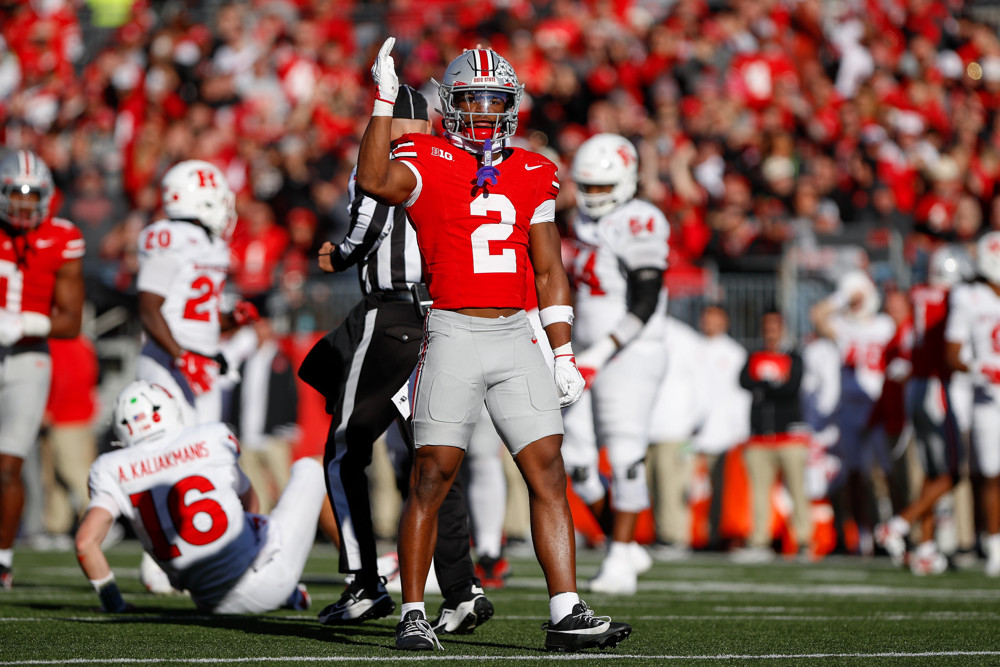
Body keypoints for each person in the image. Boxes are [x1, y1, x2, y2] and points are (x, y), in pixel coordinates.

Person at [356, 39, 630, 652]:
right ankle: (414, 612)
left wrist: (561, 348)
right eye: (473, 100)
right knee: (432, 475)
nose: (484, 111)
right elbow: (373, 179)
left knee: (548, 472)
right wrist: (381, 100)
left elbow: (550, 266)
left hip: (516, 332)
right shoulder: (423, 154)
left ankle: (566, 609)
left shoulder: (534, 168)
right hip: (452, 328)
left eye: (496, 100)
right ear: (449, 104)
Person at [297, 85, 493, 635]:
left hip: (393, 321)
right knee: (431, 462)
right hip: (446, 322)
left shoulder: (390, 166)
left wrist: (335, 255)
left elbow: (359, 238)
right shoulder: (461, 167)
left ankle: (363, 582)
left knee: (343, 450)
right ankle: (460, 588)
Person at [74, 380, 323, 613]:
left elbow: (86, 543)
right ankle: (355, 576)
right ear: (169, 409)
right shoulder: (210, 437)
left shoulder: (110, 467)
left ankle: (288, 591)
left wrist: (113, 602)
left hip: (208, 601)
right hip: (265, 579)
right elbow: (251, 505)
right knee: (315, 466)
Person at [560, 132, 670, 595]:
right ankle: (622, 546)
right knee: (575, 460)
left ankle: (621, 560)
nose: (594, 196)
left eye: (604, 187)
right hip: (585, 353)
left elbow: (645, 301)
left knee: (625, 453)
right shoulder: (582, 220)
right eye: (589, 187)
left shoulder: (640, 219)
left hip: (630, 351)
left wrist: (601, 352)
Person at [0, 149, 85, 589]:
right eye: (17, 194)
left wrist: (22, 322)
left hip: (27, 357)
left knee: (9, 466)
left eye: (34, 196)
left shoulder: (62, 238)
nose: (25, 205)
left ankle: (2, 559)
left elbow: (71, 322)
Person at [135, 159, 259, 427]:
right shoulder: (170, 236)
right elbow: (148, 308)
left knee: (206, 452)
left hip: (201, 363)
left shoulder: (214, 246)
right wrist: (181, 356)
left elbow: (197, 314)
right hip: (168, 362)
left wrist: (230, 319)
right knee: (167, 452)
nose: (226, 209)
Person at [876, 245, 973, 575]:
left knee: (933, 475)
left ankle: (927, 548)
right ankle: (899, 524)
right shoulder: (953, 298)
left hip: (916, 386)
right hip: (936, 385)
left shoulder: (917, 294)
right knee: (952, 473)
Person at [811, 269, 896, 556]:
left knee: (885, 473)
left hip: (878, 406)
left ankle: (892, 531)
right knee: (854, 475)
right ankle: (862, 535)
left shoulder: (884, 325)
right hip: (848, 408)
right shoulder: (843, 325)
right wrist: (845, 296)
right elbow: (818, 316)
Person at [733, 309, 810, 562]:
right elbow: (744, 381)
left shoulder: (794, 357)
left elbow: (790, 388)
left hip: (788, 436)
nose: (770, 331)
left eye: (774, 326)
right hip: (759, 437)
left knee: (797, 490)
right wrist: (770, 383)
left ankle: (802, 540)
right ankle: (759, 539)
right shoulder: (754, 355)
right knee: (758, 492)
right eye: (766, 326)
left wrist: (764, 384)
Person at [944, 231, 1000, 577]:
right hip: (987, 399)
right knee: (992, 475)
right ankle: (995, 547)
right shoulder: (969, 297)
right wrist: (983, 368)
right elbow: (952, 354)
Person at [646, 314, 709, 561]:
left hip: (676, 427)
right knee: (654, 485)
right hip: (647, 427)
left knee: (673, 486)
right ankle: (663, 535)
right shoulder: (641, 332)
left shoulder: (685, 338)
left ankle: (675, 538)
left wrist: (696, 422)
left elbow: (702, 383)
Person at [692, 304, 752, 552]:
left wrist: (739, 430)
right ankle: (698, 536)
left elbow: (740, 396)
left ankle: (719, 535)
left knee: (722, 490)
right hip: (693, 434)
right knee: (693, 491)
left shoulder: (734, 353)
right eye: (705, 317)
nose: (708, 322)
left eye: (714, 318)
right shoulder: (692, 348)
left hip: (724, 434)